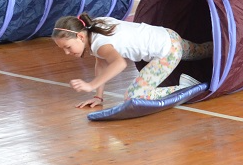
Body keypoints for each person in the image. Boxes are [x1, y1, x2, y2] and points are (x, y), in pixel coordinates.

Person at [52, 12, 213, 108]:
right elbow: (100, 63)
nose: (67, 52)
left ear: (80, 36)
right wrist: (98, 96)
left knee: (133, 97)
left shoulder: (100, 43)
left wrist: (91, 85)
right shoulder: (95, 26)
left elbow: (119, 63)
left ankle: (187, 87)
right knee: (200, 51)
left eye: (67, 47)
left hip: (167, 51)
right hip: (169, 36)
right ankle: (223, 48)